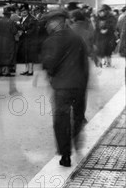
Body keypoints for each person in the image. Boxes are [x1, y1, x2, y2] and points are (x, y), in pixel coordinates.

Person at [40, 9, 89, 167]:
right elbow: (84, 63)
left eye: (49, 22)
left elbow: (49, 64)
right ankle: (75, 139)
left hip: (62, 87)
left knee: (61, 119)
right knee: (78, 116)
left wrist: (51, 72)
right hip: (79, 86)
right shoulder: (77, 38)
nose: (47, 25)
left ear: (58, 22)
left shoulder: (51, 41)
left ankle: (65, 154)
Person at [0, 6, 19, 77]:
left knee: (0, 55)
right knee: (8, 55)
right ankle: (6, 72)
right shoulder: (10, 21)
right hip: (8, 40)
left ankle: (0, 71)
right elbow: (14, 31)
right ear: (9, 15)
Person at [18, 5, 39, 76]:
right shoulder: (21, 19)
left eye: (25, 10)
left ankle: (30, 71)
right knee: (25, 55)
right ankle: (27, 70)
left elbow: (33, 30)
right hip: (24, 40)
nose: (23, 12)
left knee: (30, 55)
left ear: (28, 11)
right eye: (22, 11)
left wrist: (24, 32)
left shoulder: (33, 19)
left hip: (30, 40)